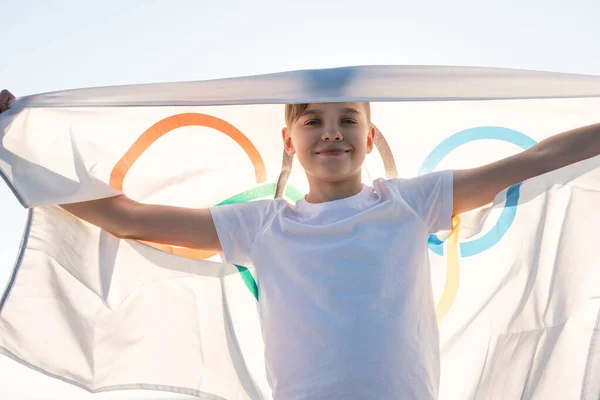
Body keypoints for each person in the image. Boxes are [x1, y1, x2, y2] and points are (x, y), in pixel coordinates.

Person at [1, 89, 600, 399]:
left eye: (348, 120)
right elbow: (127, 218)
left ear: (371, 138)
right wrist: (16, 147)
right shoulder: (261, 225)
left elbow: (535, 159)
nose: (332, 132)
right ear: (289, 141)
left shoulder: (409, 203)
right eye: (313, 120)